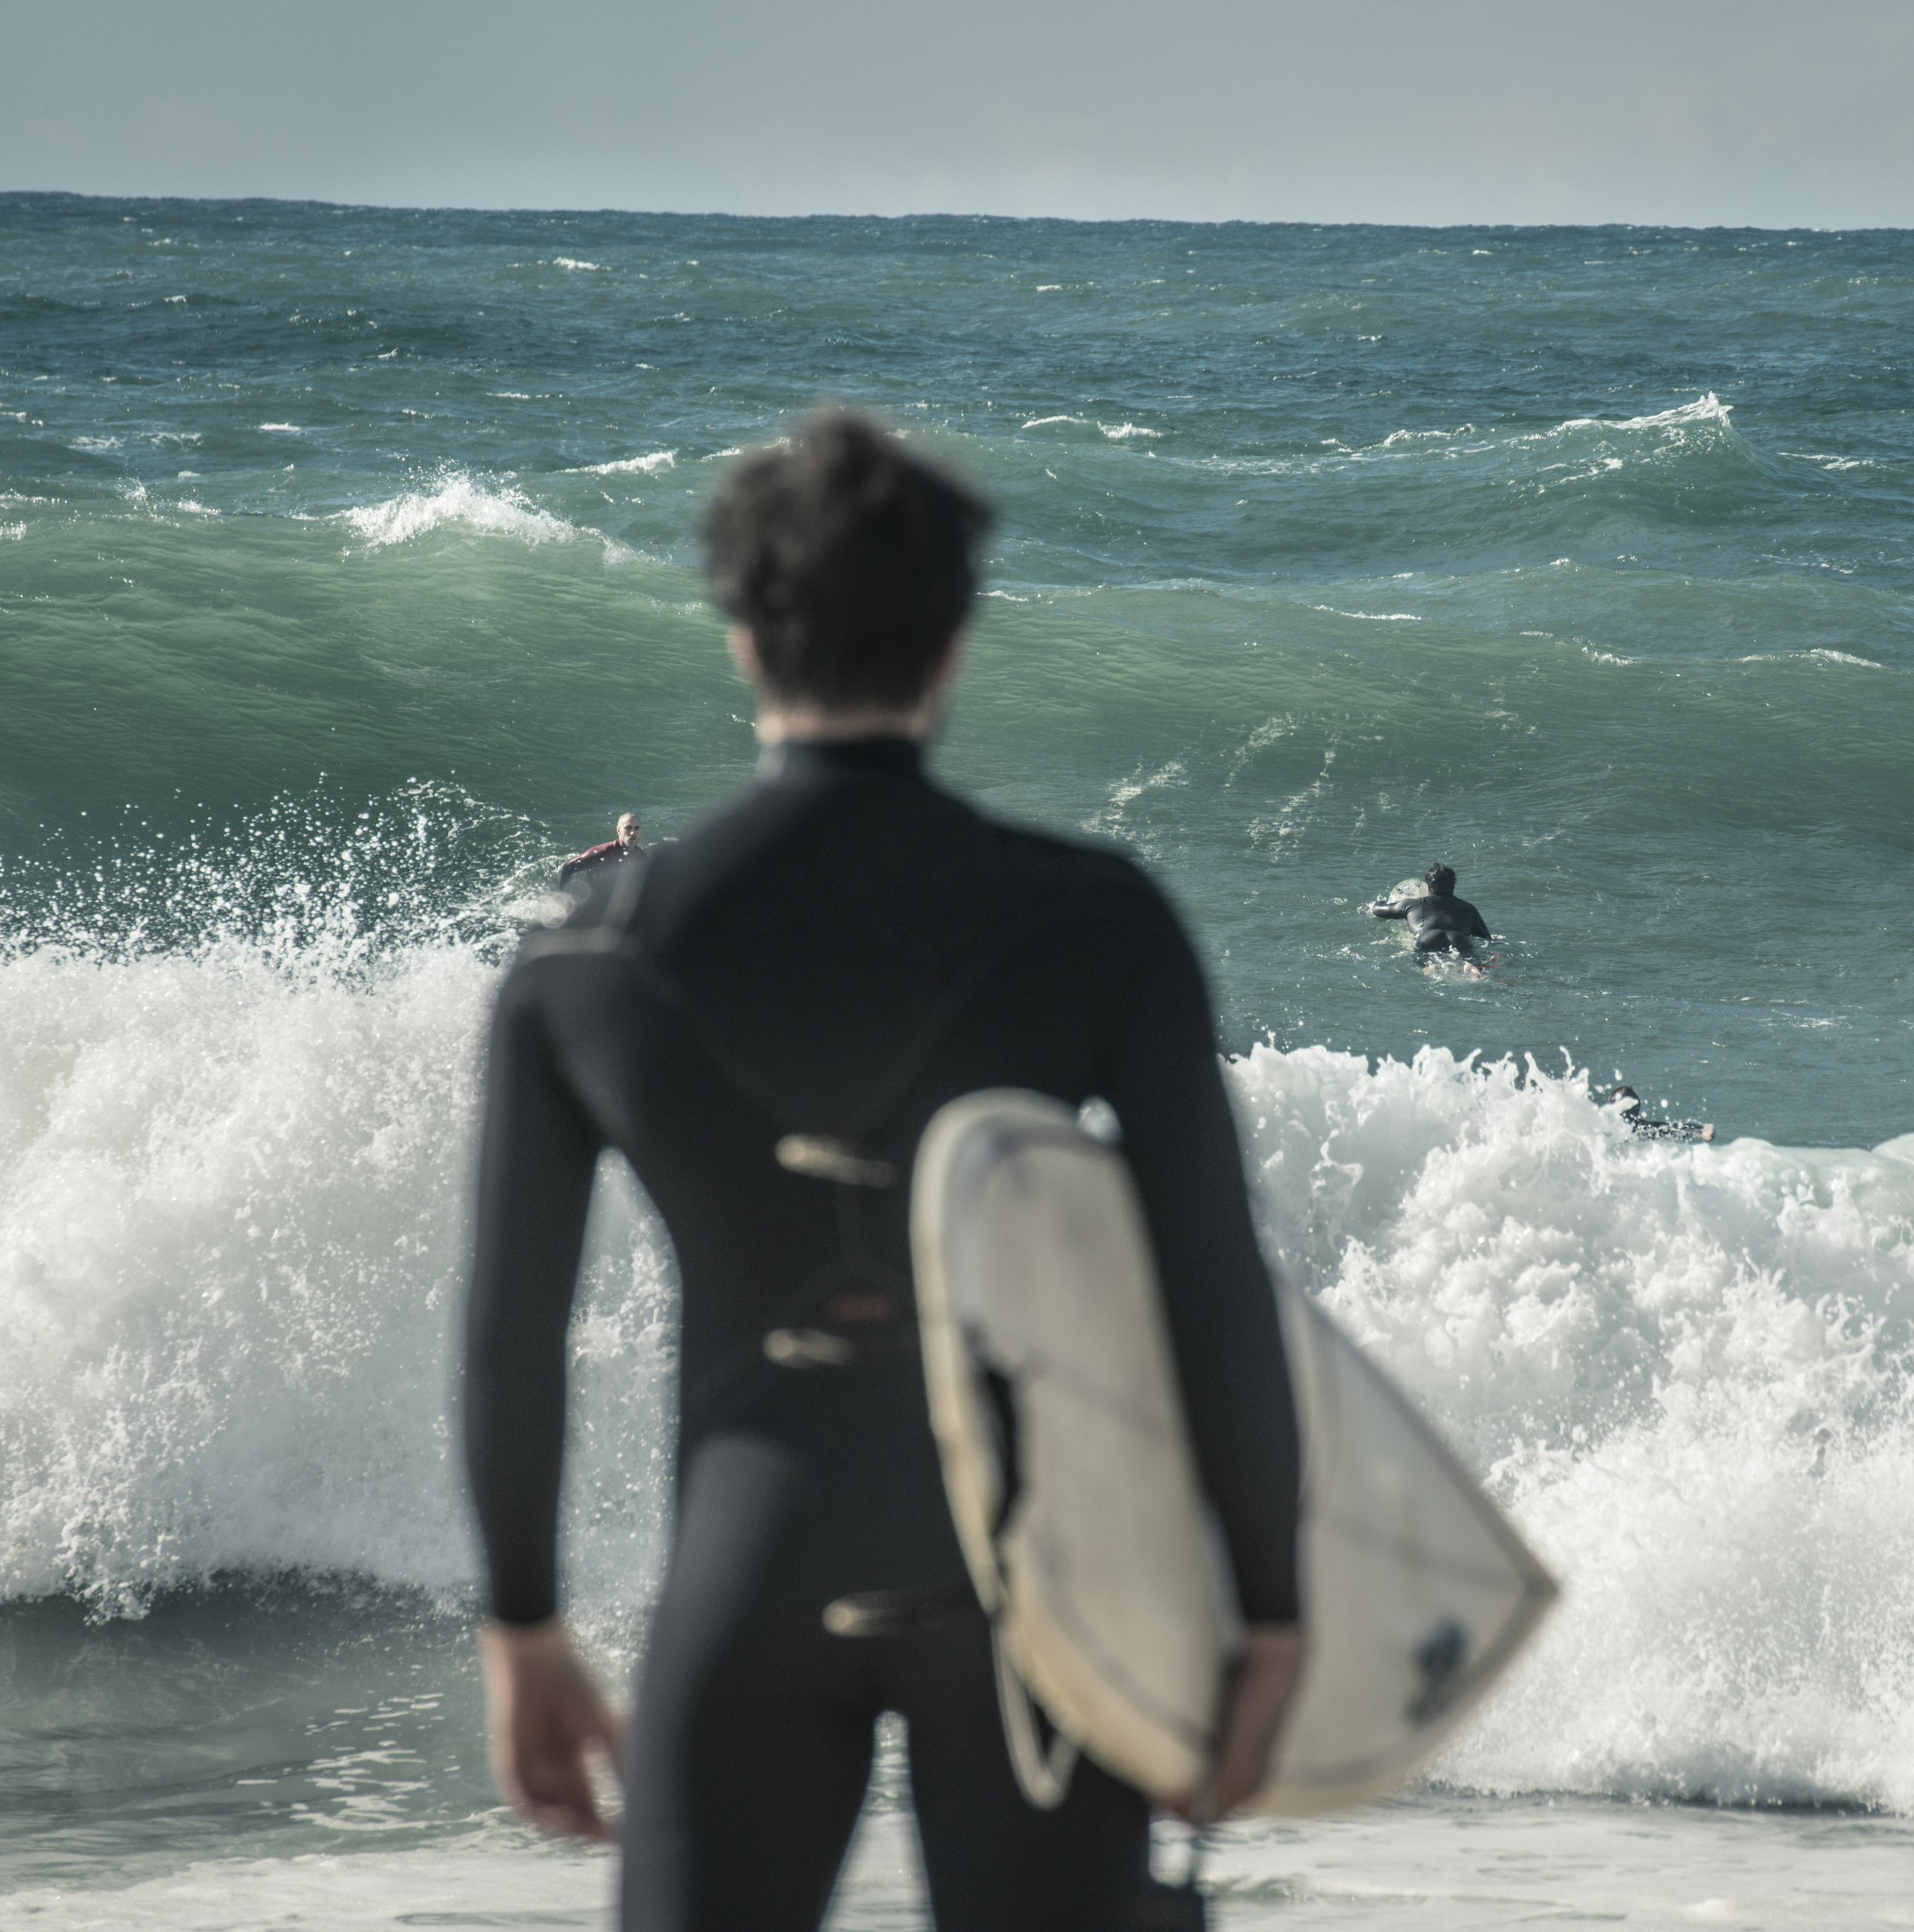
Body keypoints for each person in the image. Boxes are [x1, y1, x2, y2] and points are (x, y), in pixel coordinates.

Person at [463, 411, 1306, 1932]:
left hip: (747, 1574)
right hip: (1038, 1600)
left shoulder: (581, 964)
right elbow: (1210, 1276)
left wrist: (521, 1625)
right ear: (955, 638)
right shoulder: (1102, 923)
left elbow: (513, 1330)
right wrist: (1275, 1609)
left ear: (739, 631)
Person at [1368, 863, 1491, 959]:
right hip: (1459, 939)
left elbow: (1377, 910)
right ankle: (1472, 969)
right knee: (1473, 965)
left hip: (1427, 937)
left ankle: (1431, 968)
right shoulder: (1469, 909)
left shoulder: (1411, 904)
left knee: (1429, 966)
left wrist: (1381, 902)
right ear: (1453, 885)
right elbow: (1487, 939)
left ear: (1428, 886)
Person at [557, 812, 646, 888]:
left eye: (637, 828)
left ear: (641, 832)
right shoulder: (603, 853)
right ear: (618, 831)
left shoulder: (641, 856)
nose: (633, 832)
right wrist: (566, 898)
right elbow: (566, 869)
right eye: (628, 828)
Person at [1612, 1085, 1715, 1144]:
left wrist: (1700, 1130)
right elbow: (1674, 1129)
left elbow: (1671, 1128)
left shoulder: (1639, 1128)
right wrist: (1700, 1130)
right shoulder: (1642, 1129)